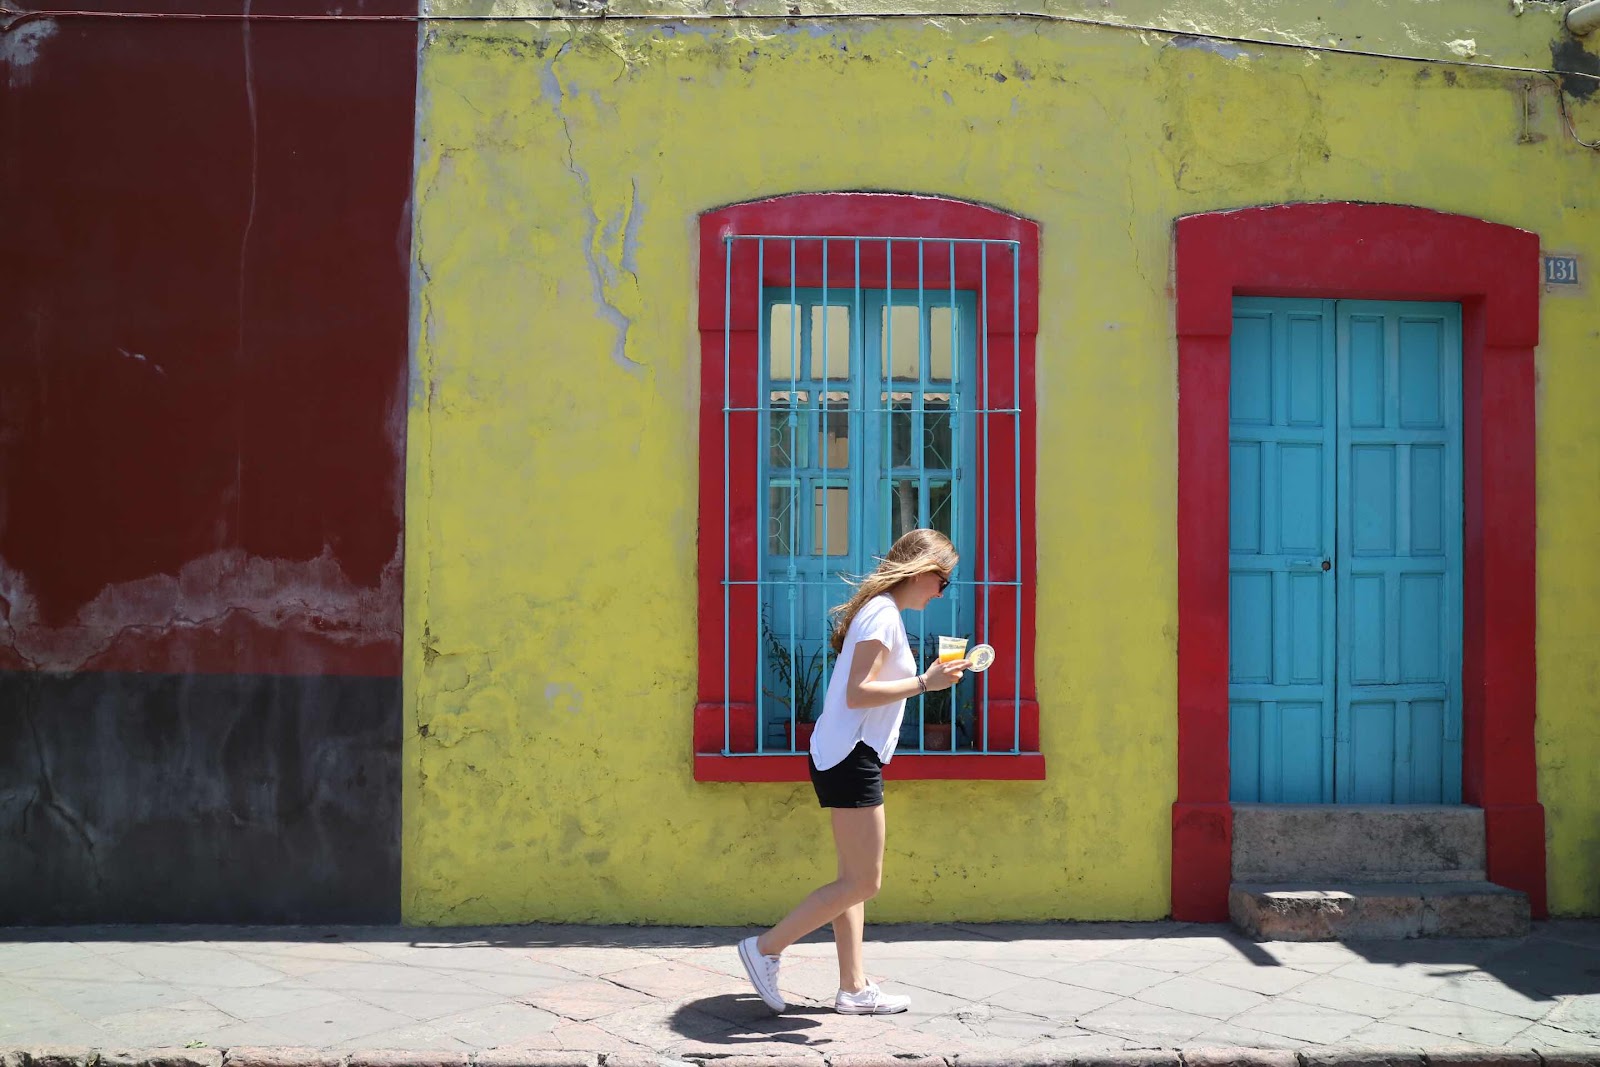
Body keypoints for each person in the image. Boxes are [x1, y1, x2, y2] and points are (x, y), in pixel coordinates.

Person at [737, 528, 969, 1016]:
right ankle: (765, 949)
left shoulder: (880, 612)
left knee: (851, 879)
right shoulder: (882, 617)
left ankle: (854, 988)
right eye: (943, 581)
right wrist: (926, 683)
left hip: (844, 752)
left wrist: (927, 680)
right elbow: (858, 693)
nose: (943, 592)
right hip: (850, 756)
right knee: (865, 882)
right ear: (925, 572)